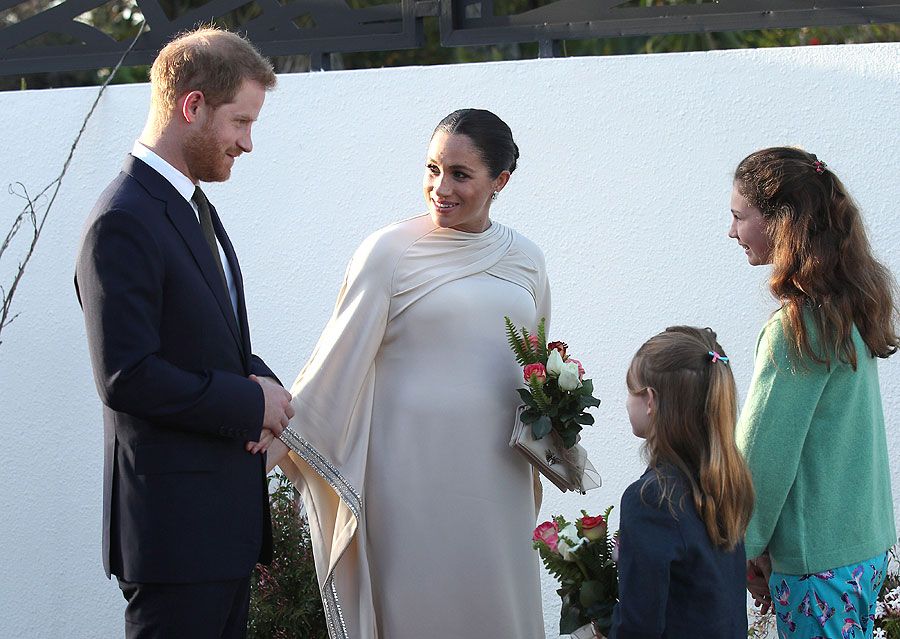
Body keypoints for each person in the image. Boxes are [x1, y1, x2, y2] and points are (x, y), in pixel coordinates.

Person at [265, 108, 549, 638]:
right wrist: (264, 444)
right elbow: (334, 365)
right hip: (408, 483)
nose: (440, 188)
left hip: (499, 482)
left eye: (460, 175)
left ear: (500, 182)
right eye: (432, 169)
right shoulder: (387, 253)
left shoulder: (528, 260)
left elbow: (538, 373)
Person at [74, 27, 293, 638]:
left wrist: (265, 387)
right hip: (175, 535)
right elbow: (127, 375)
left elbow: (208, 336)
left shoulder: (190, 205)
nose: (248, 143)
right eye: (240, 122)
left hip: (218, 529)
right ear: (192, 106)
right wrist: (249, 402)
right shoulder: (122, 218)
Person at [730, 147, 897, 638]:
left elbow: (763, 454)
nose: (731, 231)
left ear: (781, 222)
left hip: (816, 562)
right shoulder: (847, 308)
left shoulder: (796, 328)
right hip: (862, 547)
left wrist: (739, 549)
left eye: (740, 217)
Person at [609, 326, 754, 639]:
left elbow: (639, 625)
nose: (626, 402)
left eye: (630, 390)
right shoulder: (726, 483)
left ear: (650, 399)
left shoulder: (650, 499)